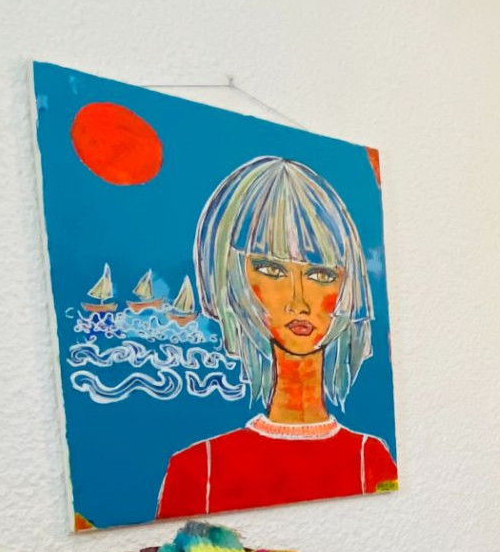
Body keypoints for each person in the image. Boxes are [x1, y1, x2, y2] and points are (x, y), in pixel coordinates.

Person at [157, 156, 396, 517]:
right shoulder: (197, 469)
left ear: (347, 285)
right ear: (233, 276)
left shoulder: (369, 458)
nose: (298, 301)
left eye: (320, 275)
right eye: (271, 269)